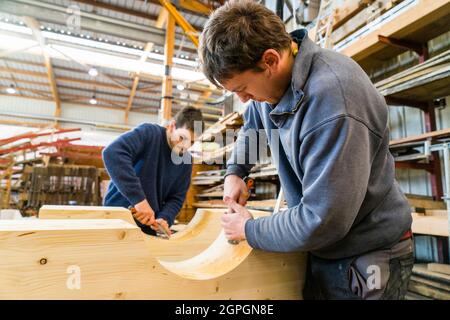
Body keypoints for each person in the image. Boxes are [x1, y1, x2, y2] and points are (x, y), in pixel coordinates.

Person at [199, 0, 414, 299]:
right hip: (324, 248)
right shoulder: (269, 89)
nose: (245, 100)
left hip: (367, 251)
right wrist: (236, 170)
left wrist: (250, 230)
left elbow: (321, 219)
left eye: (242, 89)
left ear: (271, 60)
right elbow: (253, 125)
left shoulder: (334, 101)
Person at [102, 106, 203, 236]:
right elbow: (112, 153)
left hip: (148, 228)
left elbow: (176, 197)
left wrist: (165, 218)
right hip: (116, 218)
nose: (186, 146)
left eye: (192, 142)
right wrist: (139, 201)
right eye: (182, 138)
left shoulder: (186, 160)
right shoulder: (150, 133)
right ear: (172, 126)